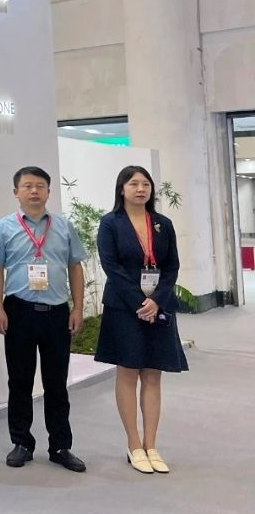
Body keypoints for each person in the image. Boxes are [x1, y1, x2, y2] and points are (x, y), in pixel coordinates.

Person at [0, 166, 88, 473]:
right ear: (16, 192)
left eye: (40, 186)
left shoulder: (63, 226)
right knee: (19, 381)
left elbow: (75, 267)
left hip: (57, 312)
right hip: (18, 311)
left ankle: (60, 446)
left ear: (48, 192)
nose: (34, 191)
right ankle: (21, 443)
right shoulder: (4, 227)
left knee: (57, 383)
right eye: (28, 186)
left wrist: (78, 308)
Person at [95, 165, 188, 474]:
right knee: (128, 371)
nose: (140, 189)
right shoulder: (111, 223)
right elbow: (111, 267)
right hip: (124, 307)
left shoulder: (163, 224)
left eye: (145, 184)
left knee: (153, 373)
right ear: (121, 189)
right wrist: (139, 302)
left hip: (157, 305)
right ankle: (134, 444)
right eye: (133, 183)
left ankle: (151, 444)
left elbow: (172, 266)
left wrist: (156, 300)